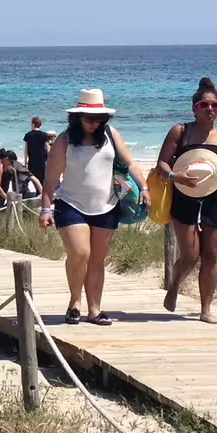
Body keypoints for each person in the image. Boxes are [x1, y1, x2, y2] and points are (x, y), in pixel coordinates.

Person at [39, 89, 147, 325]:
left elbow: (130, 163)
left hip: (107, 205)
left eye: (99, 119)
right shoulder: (64, 140)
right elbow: (50, 180)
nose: (94, 123)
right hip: (70, 204)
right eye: (89, 119)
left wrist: (144, 187)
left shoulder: (111, 134)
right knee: (80, 253)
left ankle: (95, 310)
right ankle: (74, 302)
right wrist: (46, 209)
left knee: (97, 260)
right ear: (77, 118)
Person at [156, 77, 217, 324]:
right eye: (205, 105)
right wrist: (176, 176)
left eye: (215, 105)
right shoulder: (180, 131)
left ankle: (206, 309)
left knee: (211, 255)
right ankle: (174, 284)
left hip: (215, 199)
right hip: (184, 198)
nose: (211, 109)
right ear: (194, 107)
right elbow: (161, 164)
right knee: (190, 256)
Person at [22, 116, 54, 186]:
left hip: (32, 160)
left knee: (31, 177)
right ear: (40, 125)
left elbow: (26, 150)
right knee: (42, 179)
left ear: (33, 124)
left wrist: (25, 163)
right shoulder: (45, 135)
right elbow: (48, 148)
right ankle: (40, 193)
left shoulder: (28, 135)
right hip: (42, 160)